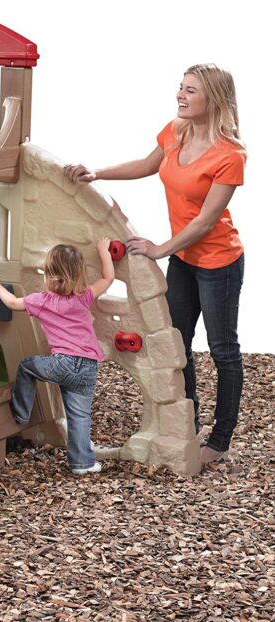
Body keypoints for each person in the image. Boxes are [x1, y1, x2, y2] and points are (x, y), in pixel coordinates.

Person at [64, 64, 246, 465]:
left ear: (213, 99)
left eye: (191, 91)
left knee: (223, 350)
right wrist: (98, 173)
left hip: (219, 263)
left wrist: (160, 249)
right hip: (185, 259)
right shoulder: (175, 131)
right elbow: (147, 166)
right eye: (180, 88)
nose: (181, 95)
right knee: (177, 343)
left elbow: (206, 221)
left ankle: (220, 438)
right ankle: (190, 423)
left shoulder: (230, 155)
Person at [0, 238, 114, 474]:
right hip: (88, 367)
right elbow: (108, 278)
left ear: (50, 277)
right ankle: (83, 463)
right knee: (79, 416)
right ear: (78, 276)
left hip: (62, 364)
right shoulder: (84, 296)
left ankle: (21, 413)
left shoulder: (42, 301)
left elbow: (12, 302)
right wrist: (103, 251)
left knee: (27, 366)